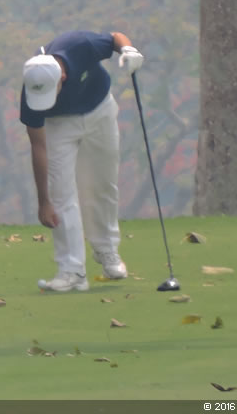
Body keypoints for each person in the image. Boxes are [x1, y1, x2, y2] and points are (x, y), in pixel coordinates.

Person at [19, 31, 144, 293]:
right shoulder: (32, 91)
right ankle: (72, 270)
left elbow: (115, 38)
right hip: (59, 126)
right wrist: (43, 201)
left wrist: (128, 50)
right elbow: (38, 146)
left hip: (100, 111)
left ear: (62, 77)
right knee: (61, 193)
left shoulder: (79, 44)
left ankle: (107, 250)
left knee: (102, 184)